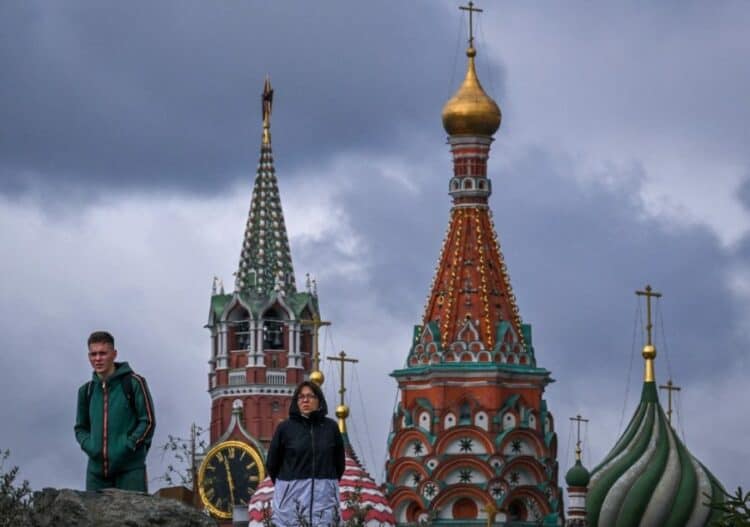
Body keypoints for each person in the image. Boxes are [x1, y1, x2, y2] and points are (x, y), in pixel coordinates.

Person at [74, 331, 155, 492]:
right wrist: (91, 446)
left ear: (114, 354)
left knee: (135, 517)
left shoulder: (134, 383)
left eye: (103, 353)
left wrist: (129, 445)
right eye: (93, 354)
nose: (98, 359)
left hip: (130, 471)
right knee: (92, 517)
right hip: (96, 474)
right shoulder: (86, 391)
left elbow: (148, 421)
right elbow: (80, 428)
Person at [266, 380, 345, 526]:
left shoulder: (331, 428)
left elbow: (339, 464)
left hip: (324, 500)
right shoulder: (285, 429)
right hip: (291, 499)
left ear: (319, 400)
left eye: (310, 396)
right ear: (296, 401)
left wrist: (326, 486)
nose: (305, 400)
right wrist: (288, 487)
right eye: (301, 397)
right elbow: (272, 464)